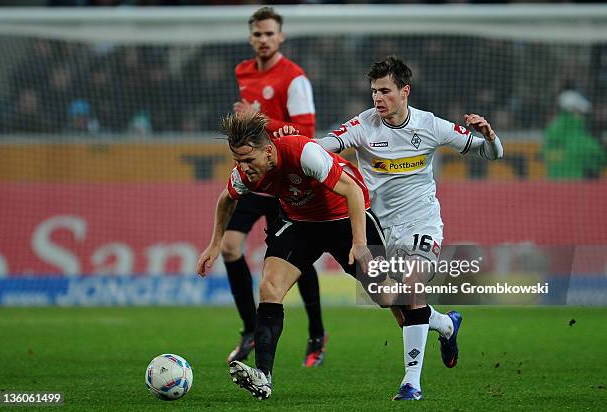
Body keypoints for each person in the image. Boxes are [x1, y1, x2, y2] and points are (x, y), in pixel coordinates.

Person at [281, 56, 504, 400]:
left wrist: (490, 136)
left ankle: (411, 382)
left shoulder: (430, 126)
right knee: (398, 308)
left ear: (405, 91)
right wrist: (294, 147)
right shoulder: (362, 126)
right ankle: (445, 325)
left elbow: (492, 154)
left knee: (412, 286)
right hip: (379, 230)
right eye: (374, 91)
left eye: (385, 91)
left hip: (422, 223)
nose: (378, 98)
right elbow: (321, 148)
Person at [197, 111, 390, 400]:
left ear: (269, 150)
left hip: (344, 218)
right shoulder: (245, 174)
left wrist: (360, 243)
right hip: (301, 224)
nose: (243, 167)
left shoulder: (303, 153)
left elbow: (352, 191)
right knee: (269, 287)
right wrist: (215, 244)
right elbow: (226, 199)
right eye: (238, 160)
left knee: (387, 297)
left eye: (249, 160)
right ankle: (263, 376)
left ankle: (441, 321)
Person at [223, 6, 327, 367]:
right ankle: (249, 329)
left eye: (269, 34)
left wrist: (258, 118)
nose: (263, 40)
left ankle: (316, 334)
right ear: (250, 37)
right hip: (255, 180)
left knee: (297, 261)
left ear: (280, 36)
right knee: (229, 247)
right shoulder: (243, 71)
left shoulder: (294, 77)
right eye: (257, 34)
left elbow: (307, 135)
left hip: (286, 183)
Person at [542, 89, 605, 180]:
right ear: (572, 110)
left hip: (553, 187)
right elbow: (601, 159)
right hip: (576, 188)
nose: (583, 116)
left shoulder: (549, 133)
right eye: (580, 112)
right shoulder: (580, 138)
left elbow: (543, 155)